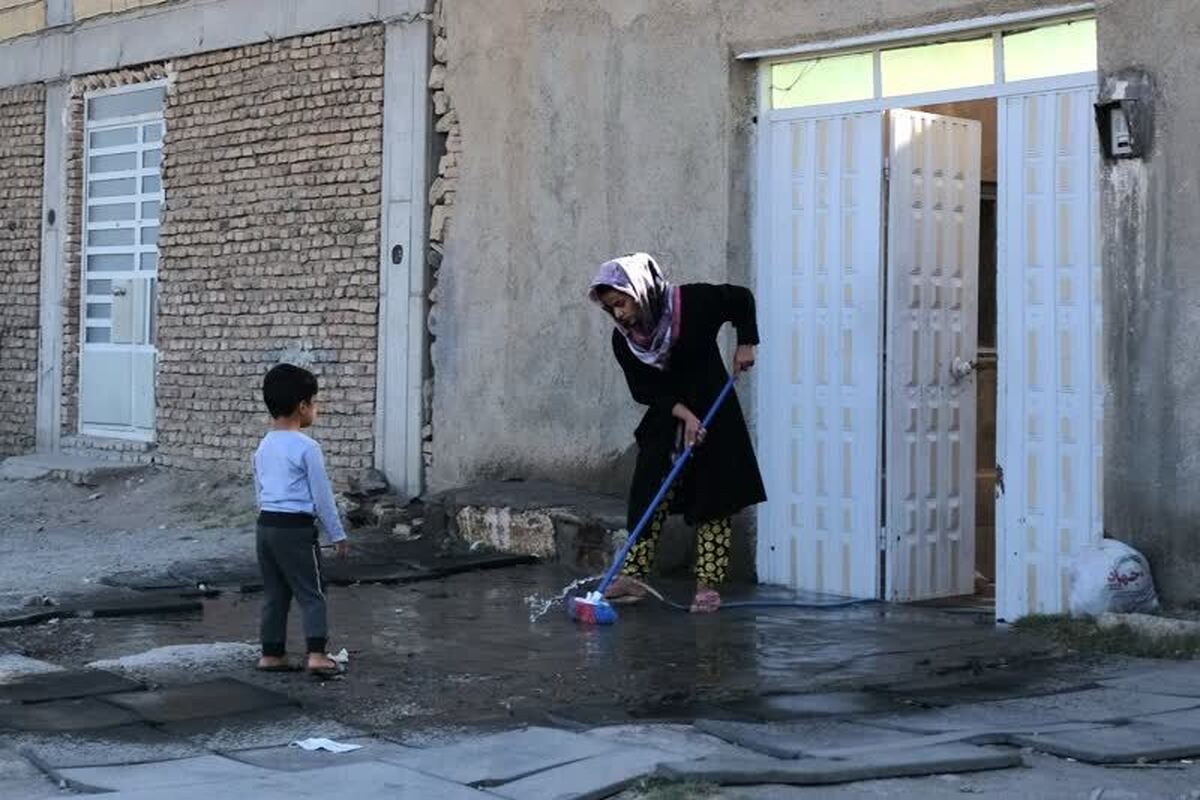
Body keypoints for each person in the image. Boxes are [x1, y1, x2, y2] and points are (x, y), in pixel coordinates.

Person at [590, 252, 766, 613]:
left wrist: (746, 343)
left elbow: (740, 298)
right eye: (611, 308)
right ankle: (634, 577)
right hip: (668, 416)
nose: (618, 314)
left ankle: (707, 586)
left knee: (715, 497)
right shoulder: (625, 341)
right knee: (649, 494)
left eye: (621, 303)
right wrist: (684, 415)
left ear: (640, 290)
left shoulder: (693, 302)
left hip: (715, 409)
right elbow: (645, 390)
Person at [252, 363, 349, 678]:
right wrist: (337, 534)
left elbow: (259, 489)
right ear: (303, 406)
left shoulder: (264, 445)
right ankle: (317, 655)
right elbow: (322, 497)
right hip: (295, 529)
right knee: (312, 592)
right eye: (315, 402)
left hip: (266, 526)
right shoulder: (308, 447)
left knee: (275, 593)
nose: (316, 409)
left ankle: (271, 654)